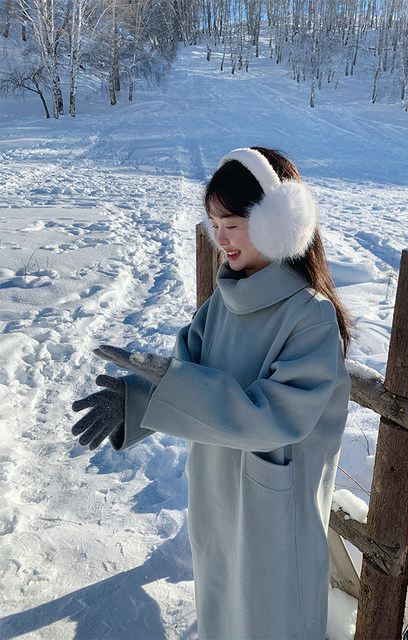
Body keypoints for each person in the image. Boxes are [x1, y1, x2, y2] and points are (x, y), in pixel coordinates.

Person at [72, 146, 354, 640]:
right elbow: (186, 376)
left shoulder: (309, 316)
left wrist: (170, 382)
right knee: (222, 612)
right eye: (214, 223)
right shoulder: (220, 306)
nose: (220, 238)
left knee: (272, 621)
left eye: (232, 223)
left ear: (279, 221)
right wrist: (133, 400)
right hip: (217, 498)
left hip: (274, 511)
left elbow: (276, 417)